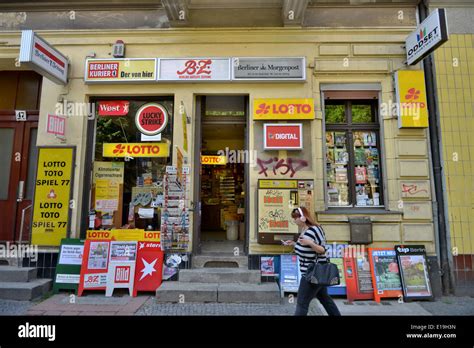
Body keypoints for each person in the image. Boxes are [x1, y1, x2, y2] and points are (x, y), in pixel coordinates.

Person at [283, 206, 341, 316]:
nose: (294, 220)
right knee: (324, 299)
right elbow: (305, 249)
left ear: (303, 218)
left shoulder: (314, 229)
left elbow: (322, 250)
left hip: (312, 273)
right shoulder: (304, 231)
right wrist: (294, 244)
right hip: (314, 272)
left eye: (295, 218)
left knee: (302, 303)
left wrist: (310, 243)